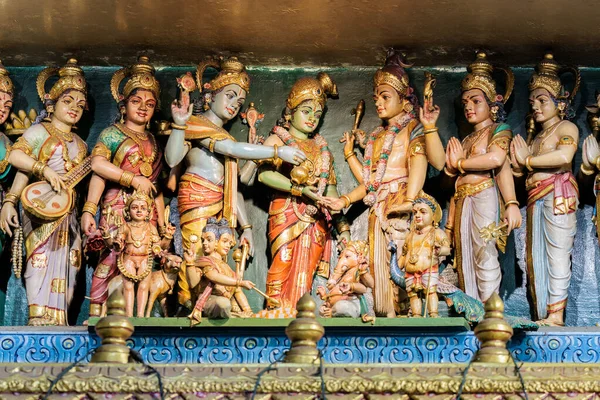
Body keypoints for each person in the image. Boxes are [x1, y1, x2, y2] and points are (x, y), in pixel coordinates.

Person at [166, 57, 306, 310]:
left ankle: (210, 304)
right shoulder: (196, 125)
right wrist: (276, 152)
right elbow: (173, 157)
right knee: (194, 261)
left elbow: (233, 187)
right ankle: (191, 306)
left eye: (239, 101)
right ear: (211, 94)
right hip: (197, 199)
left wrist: (248, 227)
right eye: (229, 96)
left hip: (221, 210)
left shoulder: (224, 134)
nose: (233, 105)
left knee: (216, 264)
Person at [321, 50, 436, 317]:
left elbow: (422, 161)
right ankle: (386, 312)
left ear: (404, 99)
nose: (379, 104)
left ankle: (411, 312)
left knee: (405, 261)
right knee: (379, 265)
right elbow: (371, 182)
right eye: (376, 98)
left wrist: (411, 199)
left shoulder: (412, 128)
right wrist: (345, 199)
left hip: (401, 203)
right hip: (378, 207)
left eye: (386, 97)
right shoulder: (375, 137)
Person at [0, 59, 89, 325]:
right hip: (41, 209)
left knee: (71, 263)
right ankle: (38, 314)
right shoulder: (39, 131)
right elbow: (17, 158)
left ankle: (59, 317)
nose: (74, 109)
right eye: (68, 101)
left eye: (80, 106)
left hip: (69, 212)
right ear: (52, 104)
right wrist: (11, 200)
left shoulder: (82, 145)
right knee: (41, 256)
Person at [254, 72, 351, 315]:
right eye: (306, 111)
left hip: (315, 218)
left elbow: (330, 191)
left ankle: (298, 313)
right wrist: (298, 189)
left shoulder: (323, 150)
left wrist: (343, 227)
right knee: (283, 259)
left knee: (306, 269)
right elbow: (264, 175)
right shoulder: (279, 140)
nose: (312, 119)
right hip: (286, 212)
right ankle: (274, 308)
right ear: (291, 111)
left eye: (317, 114)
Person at [82, 56, 167, 318]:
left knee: (145, 262)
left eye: (150, 104)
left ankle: (140, 317)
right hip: (116, 207)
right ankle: (99, 311)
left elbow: (156, 187)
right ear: (123, 104)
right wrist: (89, 209)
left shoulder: (154, 140)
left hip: (147, 212)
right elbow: (97, 166)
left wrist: (163, 223)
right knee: (112, 256)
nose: (143, 108)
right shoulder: (112, 133)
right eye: (136, 101)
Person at [444, 52, 521, 302]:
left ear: (492, 103)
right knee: (464, 255)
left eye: (475, 100)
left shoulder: (499, 130)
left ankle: (490, 309)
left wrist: (511, 204)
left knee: (484, 252)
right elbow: (455, 180)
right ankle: (473, 308)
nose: (468, 106)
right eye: (465, 102)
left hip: (484, 195)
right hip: (462, 200)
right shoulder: (466, 139)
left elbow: (498, 162)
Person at [511, 53, 580, 326]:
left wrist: (527, 160)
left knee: (557, 254)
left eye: (543, 101)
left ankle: (556, 314)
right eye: (533, 102)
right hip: (535, 198)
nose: (536, 107)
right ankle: (542, 312)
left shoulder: (567, 127)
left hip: (557, 196)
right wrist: (518, 166)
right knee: (534, 257)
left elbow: (564, 157)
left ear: (559, 103)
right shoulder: (538, 136)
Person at [100, 190, 176, 317]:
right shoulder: (125, 227)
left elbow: (160, 246)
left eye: (143, 208)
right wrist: (107, 236)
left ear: (148, 212)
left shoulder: (150, 228)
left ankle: (140, 316)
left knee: (144, 287)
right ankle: (129, 316)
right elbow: (115, 245)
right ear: (128, 211)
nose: (139, 211)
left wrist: (168, 236)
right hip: (128, 259)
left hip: (145, 260)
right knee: (128, 287)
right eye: (135, 208)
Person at [183, 218, 255, 324]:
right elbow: (206, 279)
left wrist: (248, 310)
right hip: (210, 301)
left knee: (227, 304)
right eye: (225, 241)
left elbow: (238, 291)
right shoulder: (204, 261)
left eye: (229, 243)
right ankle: (233, 315)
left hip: (226, 302)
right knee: (223, 304)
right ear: (217, 242)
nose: (228, 246)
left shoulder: (228, 268)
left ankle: (235, 314)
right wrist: (190, 264)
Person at [398, 193, 450, 318]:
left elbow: (447, 249)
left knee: (431, 292)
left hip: (428, 270)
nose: (418, 216)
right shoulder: (410, 235)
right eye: (415, 213)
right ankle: (416, 315)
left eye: (423, 212)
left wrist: (440, 250)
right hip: (410, 272)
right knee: (413, 295)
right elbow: (404, 254)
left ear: (433, 217)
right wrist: (398, 265)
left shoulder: (436, 233)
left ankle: (433, 313)